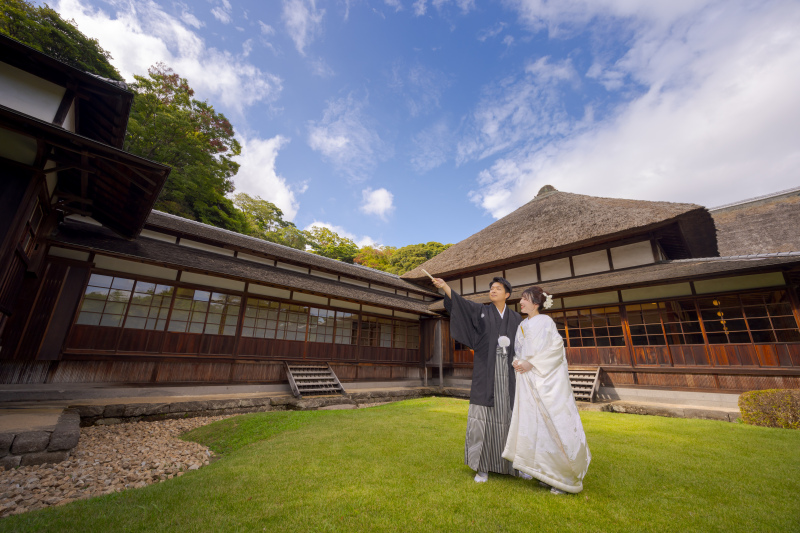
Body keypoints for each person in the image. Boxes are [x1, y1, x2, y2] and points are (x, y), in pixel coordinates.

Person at [432, 275, 523, 483]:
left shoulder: (517, 319)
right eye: (491, 288)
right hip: (486, 372)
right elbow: (461, 305)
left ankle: (514, 465)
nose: (492, 291)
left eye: (498, 288)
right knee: (483, 419)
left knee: (510, 419)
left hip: (510, 376)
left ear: (507, 294)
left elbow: (525, 346)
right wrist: (446, 287)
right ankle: (482, 467)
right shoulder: (482, 311)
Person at [503, 286, 591, 494]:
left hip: (545, 379)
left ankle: (564, 477)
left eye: (525, 299)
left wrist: (532, 364)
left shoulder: (546, 322)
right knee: (535, 425)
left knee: (552, 422)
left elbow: (556, 348)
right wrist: (517, 362)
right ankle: (545, 471)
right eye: (521, 299)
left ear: (536, 303)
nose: (521, 302)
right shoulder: (523, 324)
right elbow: (520, 350)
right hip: (527, 381)